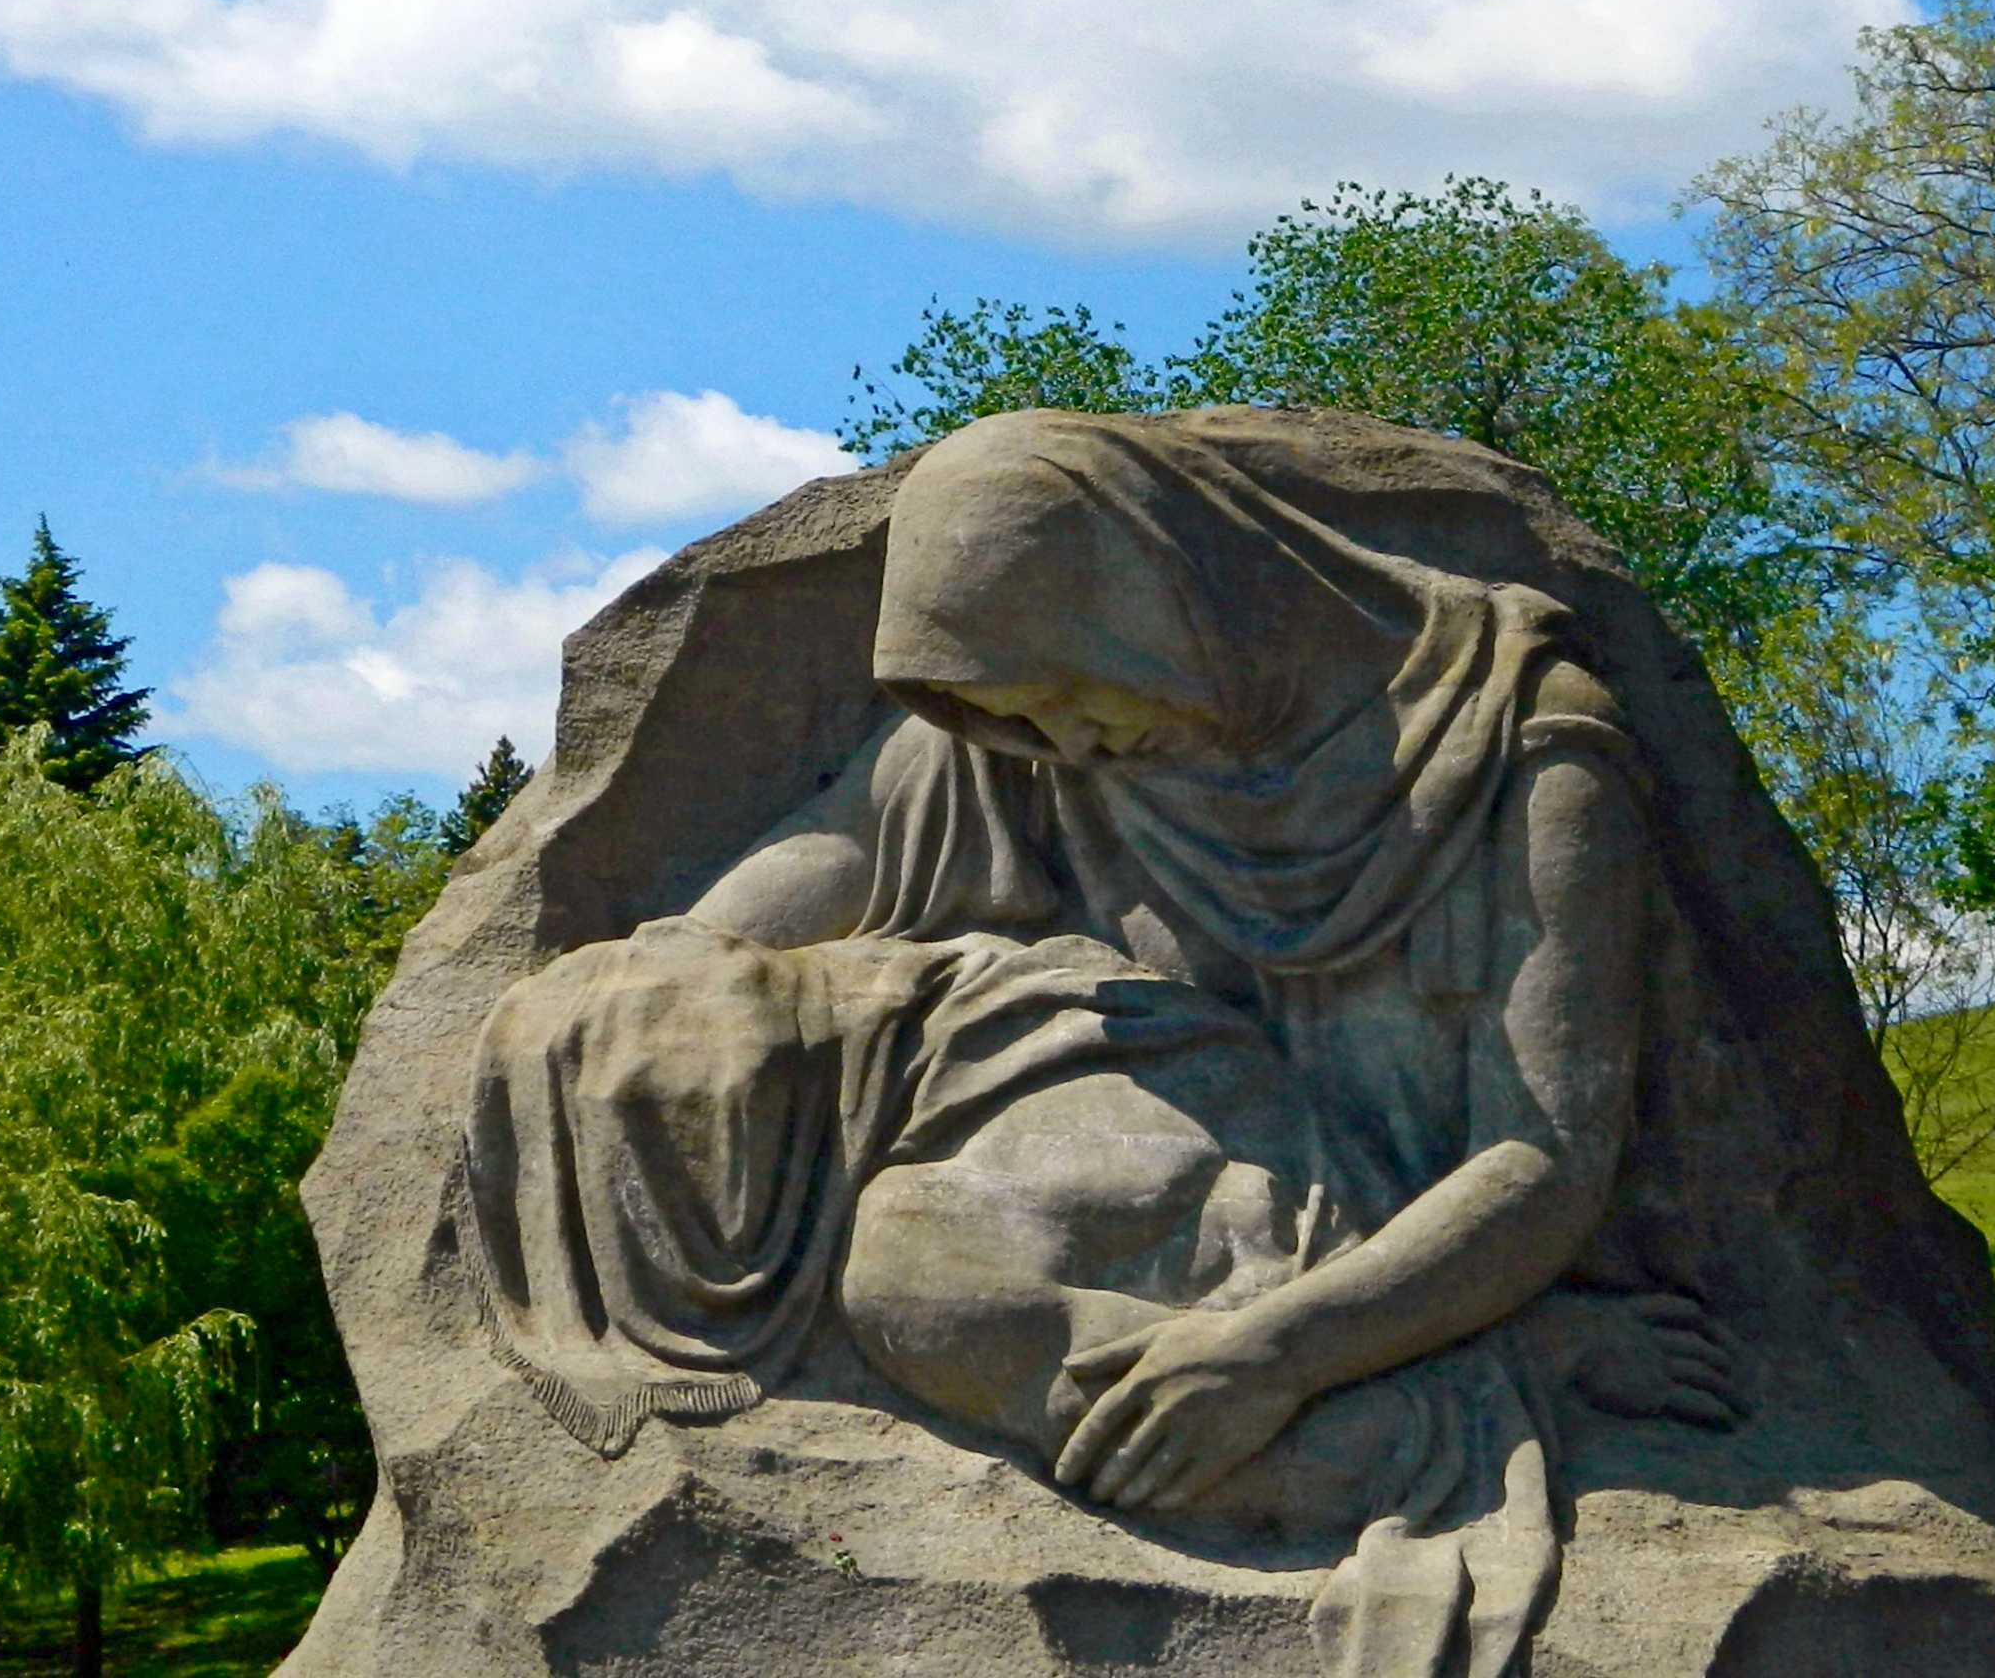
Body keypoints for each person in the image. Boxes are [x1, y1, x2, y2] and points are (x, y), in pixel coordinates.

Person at [459, 411, 1728, 1676]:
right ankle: (1315, 1412)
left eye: (1070, 695)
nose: (1061, 748)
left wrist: (1273, 1354)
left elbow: (1542, 1159)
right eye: (1014, 724)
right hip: (1124, 1166)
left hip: (1381, 1235)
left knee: (938, 1288)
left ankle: (1448, 1386)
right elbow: (825, 855)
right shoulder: (1027, 736)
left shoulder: (1530, 755)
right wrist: (672, 974)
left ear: (1155, 588)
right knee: (915, 1280)